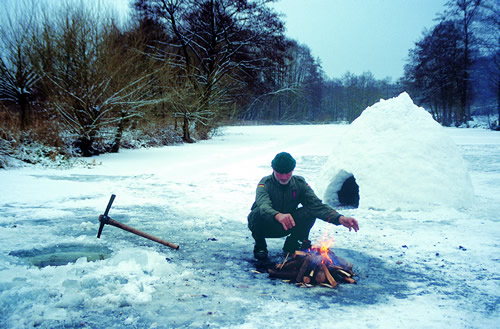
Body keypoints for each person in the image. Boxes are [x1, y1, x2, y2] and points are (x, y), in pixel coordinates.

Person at [247, 152, 359, 260]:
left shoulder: (299, 184)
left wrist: (339, 218)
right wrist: (277, 215)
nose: (284, 177)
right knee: (257, 213)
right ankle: (260, 247)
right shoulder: (265, 183)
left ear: (293, 170)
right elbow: (263, 205)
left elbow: (316, 205)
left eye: (288, 173)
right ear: (273, 169)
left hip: (288, 224)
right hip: (266, 225)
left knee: (310, 210)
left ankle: (292, 245)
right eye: (280, 173)